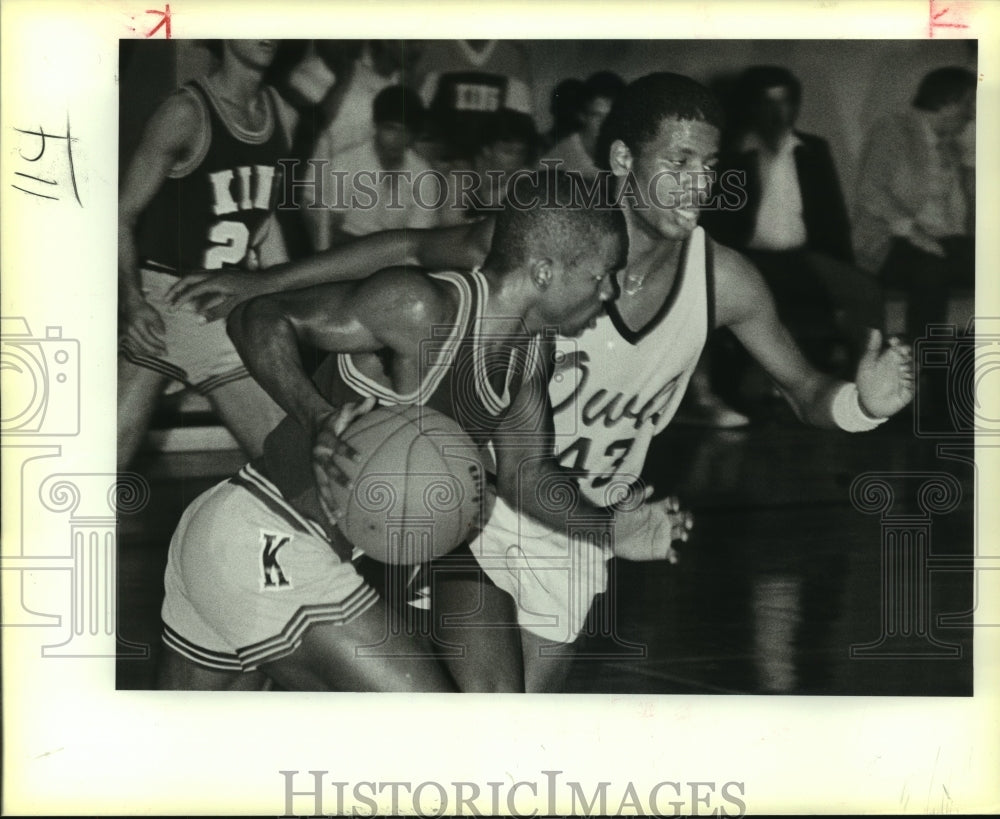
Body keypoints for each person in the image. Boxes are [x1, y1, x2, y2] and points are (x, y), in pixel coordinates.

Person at [166, 72, 915, 691]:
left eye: (708, 167)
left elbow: (529, 469)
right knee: (431, 727)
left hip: (534, 511)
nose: (699, 183)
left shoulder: (577, 333)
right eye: (679, 162)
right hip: (403, 514)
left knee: (494, 726)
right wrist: (270, 305)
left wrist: (859, 404)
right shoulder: (497, 262)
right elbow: (373, 262)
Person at [157, 173, 690, 692]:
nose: (613, 291)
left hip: (386, 545)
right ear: (545, 272)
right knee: (427, 729)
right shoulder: (421, 307)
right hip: (266, 533)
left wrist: (608, 529)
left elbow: (526, 476)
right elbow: (258, 317)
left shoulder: (531, 354)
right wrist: (314, 413)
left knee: (497, 706)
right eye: (602, 275)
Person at [117, 39, 289, 471]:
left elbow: (264, 222)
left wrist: (283, 303)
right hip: (165, 299)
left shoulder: (280, 110)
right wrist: (132, 303)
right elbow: (120, 214)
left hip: (220, 305)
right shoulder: (185, 112)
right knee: (103, 460)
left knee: (286, 458)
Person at [703, 65, 882, 370]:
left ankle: (867, 379)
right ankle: (766, 391)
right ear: (751, 107)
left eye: (785, 102)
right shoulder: (731, 155)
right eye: (768, 103)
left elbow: (833, 217)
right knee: (767, 309)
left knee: (864, 292)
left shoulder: (812, 150)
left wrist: (841, 266)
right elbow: (715, 221)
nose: (778, 113)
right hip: (751, 259)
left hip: (806, 257)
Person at [853, 66, 976, 342]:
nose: (972, 114)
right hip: (887, 243)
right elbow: (870, 191)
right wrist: (916, 234)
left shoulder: (950, 146)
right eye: (968, 103)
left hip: (939, 240)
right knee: (931, 271)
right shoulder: (893, 131)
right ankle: (922, 360)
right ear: (947, 101)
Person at [304, 85, 439, 250]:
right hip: (348, 250)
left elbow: (419, 235)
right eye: (390, 129)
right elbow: (331, 231)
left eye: (405, 132)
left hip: (397, 256)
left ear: (413, 135)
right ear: (376, 125)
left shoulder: (423, 173)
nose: (397, 139)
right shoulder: (346, 162)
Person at [543, 71, 625, 179]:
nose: (605, 124)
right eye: (597, 116)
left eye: (612, 117)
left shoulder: (629, 153)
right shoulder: (556, 162)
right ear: (582, 116)